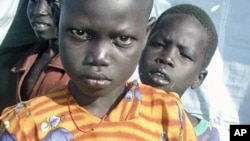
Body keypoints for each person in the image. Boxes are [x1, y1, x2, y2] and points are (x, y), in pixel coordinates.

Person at [0, 0, 198, 140]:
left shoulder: (168, 114)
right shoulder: (25, 125)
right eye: (81, 33)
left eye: (122, 39)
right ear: (59, 21)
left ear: (146, 34)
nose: (99, 57)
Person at [139, 4, 219, 141]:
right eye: (158, 44)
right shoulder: (109, 108)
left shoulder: (206, 135)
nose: (167, 58)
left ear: (199, 78)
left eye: (184, 55)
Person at [9, 0, 69, 103]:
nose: (38, 11)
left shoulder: (85, 67)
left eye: (55, 1)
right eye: (33, 0)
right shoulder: (34, 54)